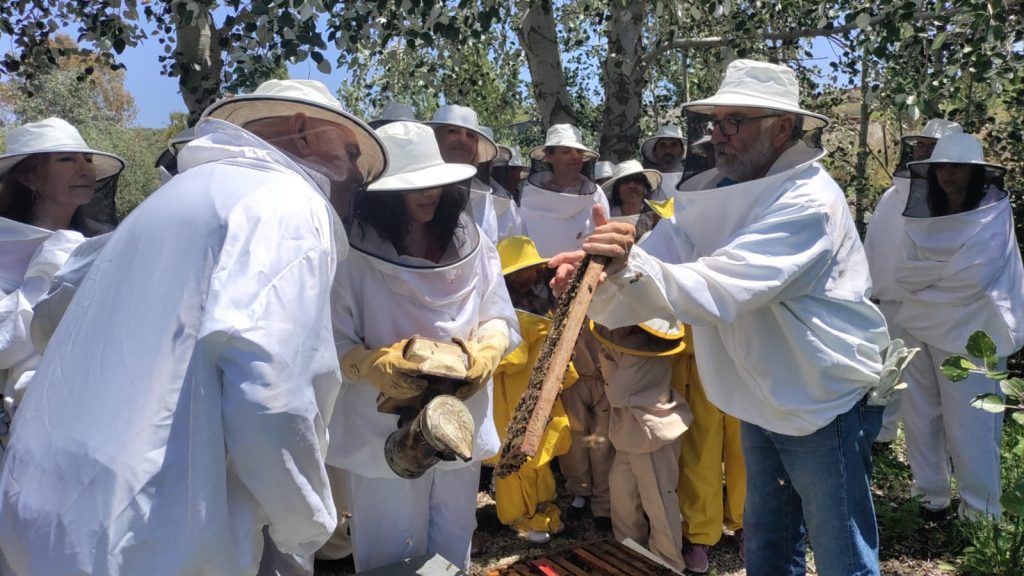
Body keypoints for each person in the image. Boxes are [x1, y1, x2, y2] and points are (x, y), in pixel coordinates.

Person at [0, 79, 387, 576]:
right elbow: (273, 396)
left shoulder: (164, 201)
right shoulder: (288, 204)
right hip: (148, 543)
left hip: (38, 511)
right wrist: (306, 524)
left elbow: (51, 320)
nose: (357, 174)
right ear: (303, 131)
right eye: (353, 151)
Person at [552, 60, 892, 576]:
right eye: (716, 121)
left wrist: (631, 265)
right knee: (769, 541)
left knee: (841, 550)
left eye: (734, 120)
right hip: (759, 396)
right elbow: (662, 261)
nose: (719, 134)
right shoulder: (715, 190)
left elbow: (721, 284)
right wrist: (594, 276)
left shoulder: (808, 201)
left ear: (781, 127)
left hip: (822, 399)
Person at [327, 121, 518, 572]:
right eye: (416, 185)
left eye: (436, 182)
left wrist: (488, 351)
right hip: (383, 431)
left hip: (458, 419)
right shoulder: (351, 257)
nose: (430, 194)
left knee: (454, 535)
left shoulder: (473, 242)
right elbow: (328, 341)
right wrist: (369, 364)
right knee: (389, 547)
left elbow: (499, 316)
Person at [894, 133, 1024, 519]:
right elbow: (903, 271)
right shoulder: (920, 212)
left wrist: (928, 279)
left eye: (957, 167)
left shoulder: (993, 213)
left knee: (973, 425)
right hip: (919, 325)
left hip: (973, 333)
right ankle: (929, 497)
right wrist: (941, 276)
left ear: (975, 172)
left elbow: (975, 279)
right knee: (919, 416)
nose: (948, 175)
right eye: (942, 167)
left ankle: (980, 513)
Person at [0, 117, 124, 438]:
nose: (85, 169)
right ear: (28, 176)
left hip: (101, 417)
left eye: (87, 159)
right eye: (67, 159)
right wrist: (54, 262)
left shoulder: (105, 243)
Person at [519, 123, 614, 528]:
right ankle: (577, 487)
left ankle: (604, 494)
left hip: (590, 300)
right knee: (565, 398)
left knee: (598, 395)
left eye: (578, 152)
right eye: (565, 152)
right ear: (550, 157)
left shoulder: (595, 194)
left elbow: (606, 240)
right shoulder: (529, 196)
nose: (574, 158)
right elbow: (523, 244)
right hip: (542, 301)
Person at [863, 118, 962, 445]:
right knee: (887, 370)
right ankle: (883, 435)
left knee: (932, 386)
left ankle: (942, 454)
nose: (921, 150)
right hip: (888, 301)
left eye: (930, 146)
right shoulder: (892, 195)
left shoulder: (953, 200)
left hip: (931, 306)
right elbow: (874, 243)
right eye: (920, 144)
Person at [489, 235, 575, 544]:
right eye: (518, 272)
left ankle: (541, 506)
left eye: (529, 271)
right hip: (509, 395)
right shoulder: (495, 308)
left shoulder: (542, 301)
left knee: (542, 449)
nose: (526, 278)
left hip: (540, 389)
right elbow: (500, 358)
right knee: (513, 454)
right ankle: (518, 517)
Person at [588, 316, 692, 572]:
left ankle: (669, 564)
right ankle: (629, 554)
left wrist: (608, 363)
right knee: (622, 494)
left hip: (651, 435)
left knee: (658, 501)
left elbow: (619, 390)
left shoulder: (648, 351)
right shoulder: (619, 342)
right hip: (628, 432)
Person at [427, 104, 502, 244]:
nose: (463, 140)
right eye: (452, 131)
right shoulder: (417, 188)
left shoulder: (484, 198)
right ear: (434, 138)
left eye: (470, 135)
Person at [641, 124, 686, 199]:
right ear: (654, 152)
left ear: (682, 151)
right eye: (662, 145)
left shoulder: (691, 179)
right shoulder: (645, 182)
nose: (668, 150)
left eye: (674, 145)